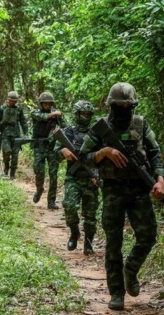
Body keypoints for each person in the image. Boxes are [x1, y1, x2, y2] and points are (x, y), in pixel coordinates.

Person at [81, 82, 164, 311]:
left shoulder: (141, 124)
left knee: (148, 236)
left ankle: (130, 269)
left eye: (126, 106)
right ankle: (116, 293)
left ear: (132, 106)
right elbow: (84, 157)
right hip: (113, 190)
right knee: (113, 244)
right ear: (111, 106)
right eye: (118, 106)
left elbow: (155, 153)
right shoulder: (101, 128)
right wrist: (104, 152)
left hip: (139, 190)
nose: (122, 110)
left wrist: (160, 180)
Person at [55, 100, 99, 255]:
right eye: (83, 113)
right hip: (73, 177)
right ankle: (74, 232)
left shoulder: (96, 132)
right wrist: (63, 152)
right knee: (69, 205)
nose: (86, 116)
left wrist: (98, 175)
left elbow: (103, 156)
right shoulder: (69, 131)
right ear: (77, 114)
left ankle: (88, 243)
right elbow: (56, 151)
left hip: (91, 177)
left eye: (88, 114)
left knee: (90, 214)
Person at [30, 92, 64, 209]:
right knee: (39, 171)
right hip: (39, 146)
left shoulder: (57, 116)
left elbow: (64, 128)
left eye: (49, 103)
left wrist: (58, 126)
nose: (47, 105)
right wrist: (53, 114)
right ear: (41, 103)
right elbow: (41, 117)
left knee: (53, 175)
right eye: (45, 103)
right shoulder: (36, 112)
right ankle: (39, 190)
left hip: (52, 147)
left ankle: (51, 201)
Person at [0, 91, 28, 180]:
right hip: (4, 134)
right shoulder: (1, 108)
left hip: (16, 135)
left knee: (15, 155)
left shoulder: (19, 109)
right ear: (8, 100)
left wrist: (26, 133)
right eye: (11, 101)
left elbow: (23, 121)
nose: (13, 102)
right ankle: (6, 167)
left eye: (15, 101)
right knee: (7, 152)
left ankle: (12, 174)